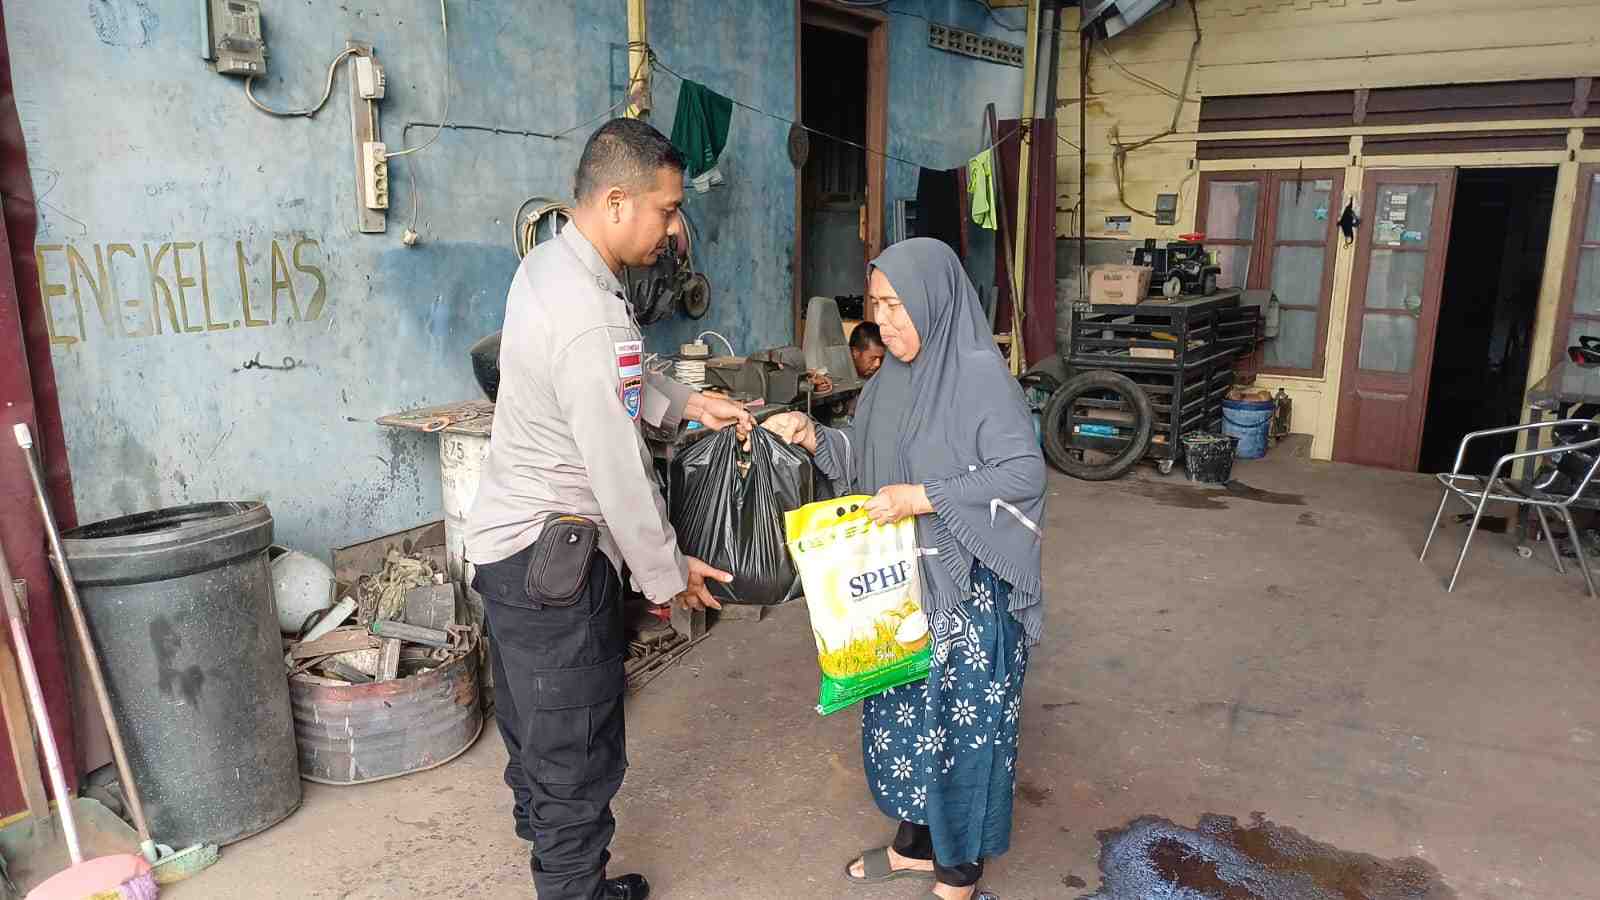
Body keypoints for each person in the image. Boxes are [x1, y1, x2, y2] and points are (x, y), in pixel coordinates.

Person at [465, 117, 754, 900]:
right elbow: (618, 470)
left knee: (536, 736)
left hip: (507, 550)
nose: (674, 227)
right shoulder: (591, 311)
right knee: (576, 756)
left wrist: (690, 403)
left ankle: (563, 867)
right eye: (666, 209)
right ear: (619, 201)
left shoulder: (553, 267)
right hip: (554, 561)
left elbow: (611, 384)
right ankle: (573, 889)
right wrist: (666, 577)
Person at [764, 238, 1046, 900]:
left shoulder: (979, 376)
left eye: (896, 306)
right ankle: (917, 848)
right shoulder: (887, 382)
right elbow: (867, 464)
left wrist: (925, 497)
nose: (883, 323)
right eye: (876, 306)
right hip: (900, 593)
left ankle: (958, 874)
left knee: (960, 734)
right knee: (907, 722)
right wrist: (818, 440)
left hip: (967, 600)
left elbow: (1024, 473)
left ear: (933, 300)